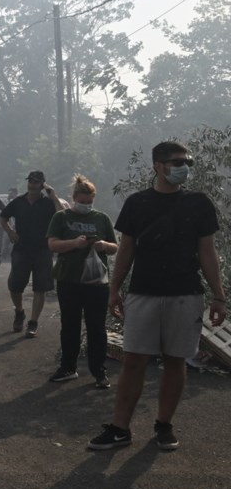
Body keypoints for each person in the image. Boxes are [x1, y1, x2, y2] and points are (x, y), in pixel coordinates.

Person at [88, 142, 226, 451]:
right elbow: (126, 250)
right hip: (143, 293)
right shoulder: (138, 203)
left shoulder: (199, 203)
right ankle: (120, 428)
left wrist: (219, 296)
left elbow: (207, 252)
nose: (184, 166)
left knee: (176, 362)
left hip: (185, 295)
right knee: (134, 361)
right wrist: (114, 288)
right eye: (176, 161)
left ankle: (164, 426)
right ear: (157, 165)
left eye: (187, 161)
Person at [46, 175, 118, 388]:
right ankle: (68, 367)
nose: (85, 205)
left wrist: (104, 245)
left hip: (96, 282)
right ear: (74, 197)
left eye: (89, 202)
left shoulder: (101, 218)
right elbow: (53, 245)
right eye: (82, 201)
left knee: (97, 328)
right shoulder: (61, 218)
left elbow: (115, 247)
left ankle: (99, 371)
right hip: (69, 280)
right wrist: (73, 243)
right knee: (70, 326)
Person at [0, 171, 64, 337]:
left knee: (40, 288)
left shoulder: (48, 203)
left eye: (36, 182)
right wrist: (10, 232)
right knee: (15, 285)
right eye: (30, 181)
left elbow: (63, 216)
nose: (32, 185)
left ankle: (33, 322)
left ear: (42, 184)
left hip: (43, 250)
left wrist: (54, 196)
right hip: (21, 249)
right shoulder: (19, 202)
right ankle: (20, 312)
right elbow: (3, 217)